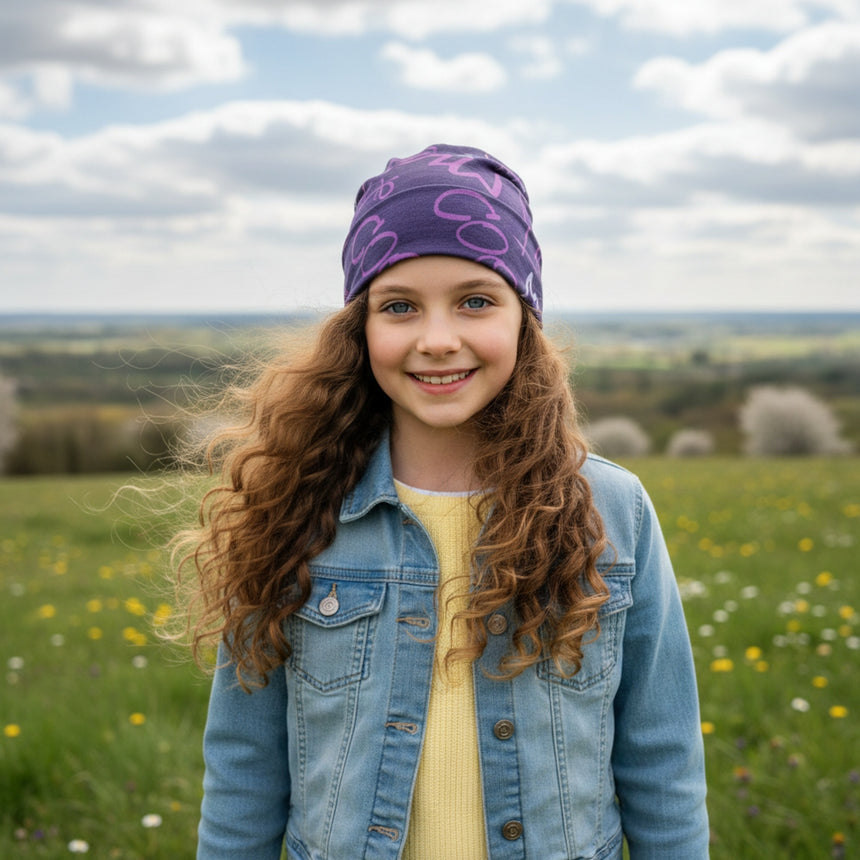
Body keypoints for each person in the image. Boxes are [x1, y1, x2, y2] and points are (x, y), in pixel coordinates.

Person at [182, 143, 709, 859]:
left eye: (475, 301)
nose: (437, 340)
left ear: (524, 319)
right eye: (399, 306)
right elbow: (243, 771)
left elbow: (662, 759)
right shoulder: (295, 510)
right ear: (361, 328)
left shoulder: (614, 509)